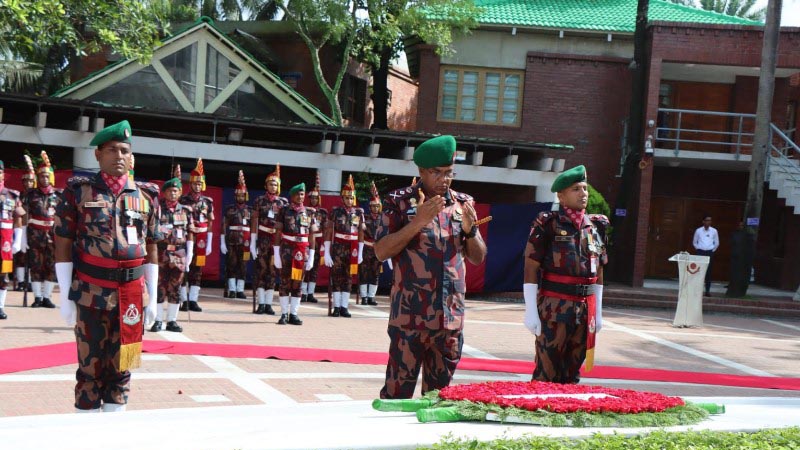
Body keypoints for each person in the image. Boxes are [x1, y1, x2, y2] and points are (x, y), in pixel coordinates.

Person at [54, 120, 161, 412]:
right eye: (112, 150)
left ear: (131, 156)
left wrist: (154, 295)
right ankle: (85, 436)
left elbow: (152, 246)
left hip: (132, 293)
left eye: (124, 150)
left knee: (123, 367)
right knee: (89, 370)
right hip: (91, 291)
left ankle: (114, 434)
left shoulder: (147, 196)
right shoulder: (79, 192)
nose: (119, 156)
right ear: (98, 155)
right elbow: (63, 243)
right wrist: (65, 296)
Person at [376, 135, 487, 399]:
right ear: (422, 171)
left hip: (449, 319)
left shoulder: (463, 204)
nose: (444, 179)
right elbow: (381, 251)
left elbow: (478, 257)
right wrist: (417, 222)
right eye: (436, 173)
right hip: (410, 318)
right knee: (396, 395)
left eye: (448, 173)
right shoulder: (399, 203)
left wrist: (471, 232)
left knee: (439, 399)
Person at [522, 164, 609, 384]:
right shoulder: (548, 224)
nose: (583, 194)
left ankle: (565, 414)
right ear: (561, 196)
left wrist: (597, 310)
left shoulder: (596, 226)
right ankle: (540, 413)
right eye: (576, 189)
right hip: (555, 307)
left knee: (572, 373)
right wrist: (531, 311)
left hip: (584, 309)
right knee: (547, 371)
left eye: (585, 188)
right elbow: (531, 267)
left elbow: (599, 270)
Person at [152, 167, 194, 332]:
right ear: (164, 192)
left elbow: (190, 233)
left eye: (175, 191)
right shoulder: (157, 209)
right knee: (159, 286)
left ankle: (172, 320)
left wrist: (190, 254)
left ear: (180, 192)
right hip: (161, 253)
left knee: (175, 287)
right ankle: (157, 320)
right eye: (169, 191)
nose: (173, 194)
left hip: (179, 253)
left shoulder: (186, 211)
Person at [23, 151, 61, 309]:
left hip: (52, 235)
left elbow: (62, 218)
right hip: (35, 235)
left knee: (51, 266)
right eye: (41, 176)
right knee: (36, 265)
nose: (44, 179)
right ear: (38, 178)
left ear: (50, 177)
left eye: (47, 176)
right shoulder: (31, 194)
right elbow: (24, 215)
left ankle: (47, 297)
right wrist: (23, 237)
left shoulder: (59, 195)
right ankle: (37, 297)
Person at [273, 183, 315, 325]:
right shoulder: (284, 211)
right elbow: (278, 232)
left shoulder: (309, 212)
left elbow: (312, 235)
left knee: (298, 284)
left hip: (302, 251)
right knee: (285, 282)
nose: (300, 197)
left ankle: (294, 314)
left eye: (302, 194)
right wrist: (276, 253)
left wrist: (312, 256)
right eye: (297, 194)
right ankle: (284, 313)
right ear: (292, 196)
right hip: (287, 250)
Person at [323, 175, 365, 318]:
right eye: (347, 198)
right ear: (342, 199)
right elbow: (329, 232)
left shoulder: (359, 212)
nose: (349, 200)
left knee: (348, 277)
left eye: (351, 198)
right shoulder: (335, 211)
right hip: (339, 247)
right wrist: (327, 252)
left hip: (352, 248)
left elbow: (361, 233)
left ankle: (344, 306)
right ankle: (336, 307)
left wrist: (360, 252)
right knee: (336, 276)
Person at [179, 158, 214, 312]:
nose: (197, 186)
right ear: (190, 184)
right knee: (184, 267)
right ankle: (183, 299)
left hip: (201, 238)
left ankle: (193, 299)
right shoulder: (183, 199)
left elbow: (210, 221)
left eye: (200, 183)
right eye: (195, 183)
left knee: (197, 269)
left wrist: (210, 241)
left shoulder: (208, 201)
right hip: (187, 236)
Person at [250, 165, 286, 315]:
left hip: (275, 241)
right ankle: (261, 303)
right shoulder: (259, 201)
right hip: (263, 239)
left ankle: (269, 303)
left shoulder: (282, 203)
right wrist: (253, 242)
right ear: (266, 185)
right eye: (271, 184)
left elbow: (284, 225)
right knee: (261, 270)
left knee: (272, 271)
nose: (273, 186)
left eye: (276, 184)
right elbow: (254, 222)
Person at [0, 160, 26, 320]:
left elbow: (19, 218)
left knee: (4, 274)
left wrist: (18, 240)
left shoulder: (12, 194)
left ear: (3, 174)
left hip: (6, 243)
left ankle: (0, 306)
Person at [221, 170, 252, 299]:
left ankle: (240, 289)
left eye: (242, 195)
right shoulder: (230, 209)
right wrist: (222, 242)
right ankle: (232, 289)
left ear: (245, 196)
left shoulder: (250, 210)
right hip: (232, 240)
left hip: (245, 242)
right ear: (235, 196)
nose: (240, 197)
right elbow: (224, 225)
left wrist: (253, 242)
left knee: (243, 266)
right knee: (231, 264)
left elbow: (254, 227)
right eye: (238, 195)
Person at [358, 181, 387, 306]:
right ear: (370, 207)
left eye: (377, 206)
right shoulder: (365, 217)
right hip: (366, 248)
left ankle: (371, 296)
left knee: (375, 273)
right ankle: (364, 296)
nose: (375, 208)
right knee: (364, 272)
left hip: (377, 248)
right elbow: (361, 234)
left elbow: (386, 234)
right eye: (373, 206)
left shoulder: (383, 219)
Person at [301, 171, 326, 304]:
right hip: (308, 241)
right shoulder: (304, 211)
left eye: (316, 198)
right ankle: (303, 292)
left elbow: (326, 229)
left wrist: (323, 245)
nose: (314, 200)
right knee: (306, 266)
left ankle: (311, 292)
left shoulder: (323, 212)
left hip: (318, 241)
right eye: (312, 198)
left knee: (315, 268)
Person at [13, 159, 35, 292]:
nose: (29, 183)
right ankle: (21, 281)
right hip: (21, 227)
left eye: (31, 181)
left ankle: (31, 281)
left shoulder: (37, 195)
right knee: (20, 255)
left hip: (34, 228)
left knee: (33, 256)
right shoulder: (18, 195)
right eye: (26, 181)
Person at [693, 215, 719, 296]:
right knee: (699, 271)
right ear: (703, 221)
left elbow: (717, 243)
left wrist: (712, 251)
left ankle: (707, 290)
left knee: (708, 272)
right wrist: (698, 249)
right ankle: (697, 291)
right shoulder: (698, 230)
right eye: (707, 220)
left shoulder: (714, 231)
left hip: (709, 253)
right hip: (700, 252)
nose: (708, 222)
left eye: (710, 220)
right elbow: (694, 242)